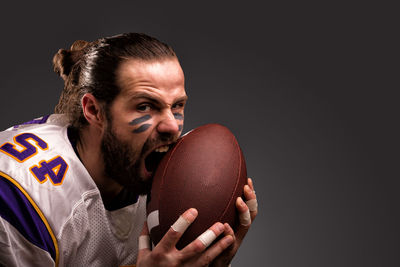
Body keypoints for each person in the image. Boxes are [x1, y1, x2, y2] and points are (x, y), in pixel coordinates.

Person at [0, 33, 258, 266]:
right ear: (94, 110)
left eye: (177, 106)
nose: (172, 126)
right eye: (145, 106)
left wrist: (206, 258)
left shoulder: (153, 170)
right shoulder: (18, 197)